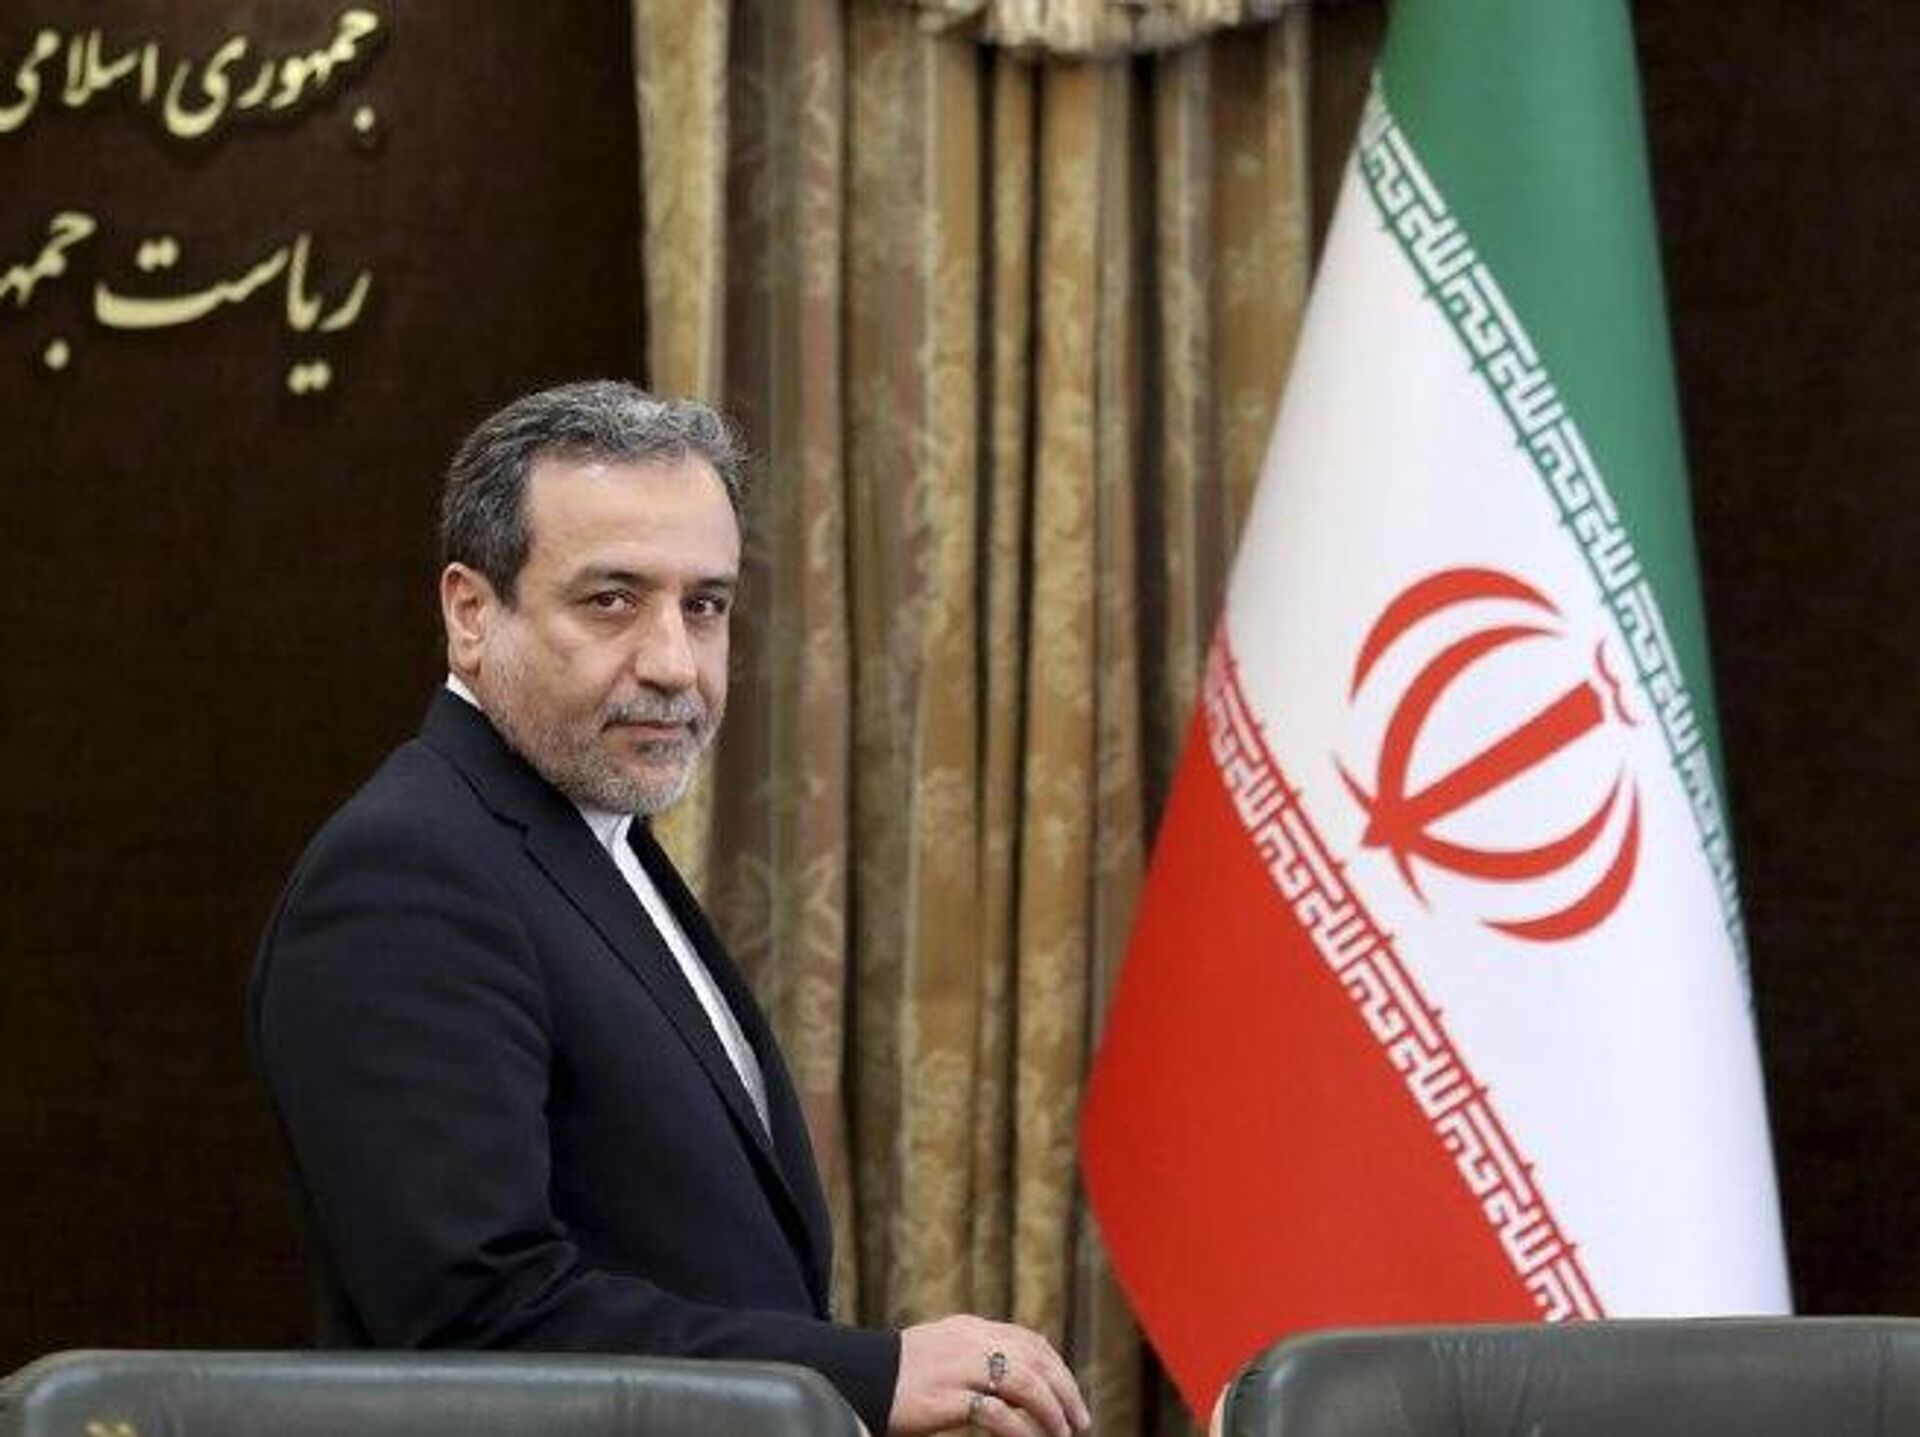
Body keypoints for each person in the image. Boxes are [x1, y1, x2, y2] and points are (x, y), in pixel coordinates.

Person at [250, 381, 1092, 1437]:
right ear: (471, 614)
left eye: (705, 605)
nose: (674, 664)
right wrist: (866, 1376)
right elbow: (478, 1322)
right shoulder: (406, 874)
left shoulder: (589, 832)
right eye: (611, 600)